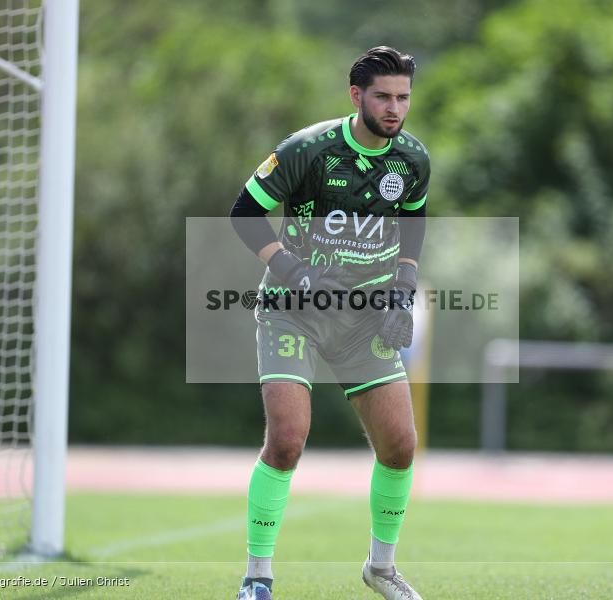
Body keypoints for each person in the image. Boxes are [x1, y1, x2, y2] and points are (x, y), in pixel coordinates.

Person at [229, 46, 429, 600]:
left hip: (364, 319)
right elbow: (244, 212)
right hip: (293, 310)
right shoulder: (307, 151)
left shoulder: (412, 160)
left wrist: (404, 285)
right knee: (288, 440)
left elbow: (414, 221)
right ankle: (257, 578)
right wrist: (292, 270)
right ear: (356, 96)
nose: (395, 108)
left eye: (403, 98)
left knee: (400, 447)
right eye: (384, 96)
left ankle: (381, 569)